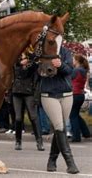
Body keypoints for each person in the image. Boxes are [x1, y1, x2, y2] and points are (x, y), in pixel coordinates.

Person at [39, 46, 79, 174]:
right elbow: (35, 72)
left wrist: (61, 65)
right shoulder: (40, 52)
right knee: (60, 127)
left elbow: (70, 72)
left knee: (59, 129)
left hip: (67, 94)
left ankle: (52, 160)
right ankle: (70, 162)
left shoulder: (65, 52)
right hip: (48, 94)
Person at [11, 53, 44, 151]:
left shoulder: (32, 66)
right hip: (16, 92)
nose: (23, 58)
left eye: (25, 57)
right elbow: (17, 73)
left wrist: (29, 62)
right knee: (18, 118)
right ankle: (18, 141)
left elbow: (35, 64)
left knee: (33, 117)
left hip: (29, 92)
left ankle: (39, 141)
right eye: (21, 57)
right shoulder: (15, 65)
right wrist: (21, 64)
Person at [69, 54, 90, 142]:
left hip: (74, 94)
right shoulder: (84, 70)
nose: (72, 61)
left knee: (72, 116)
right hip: (80, 95)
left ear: (77, 61)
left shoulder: (76, 70)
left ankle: (76, 137)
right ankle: (86, 133)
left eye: (73, 59)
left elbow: (69, 80)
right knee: (76, 114)